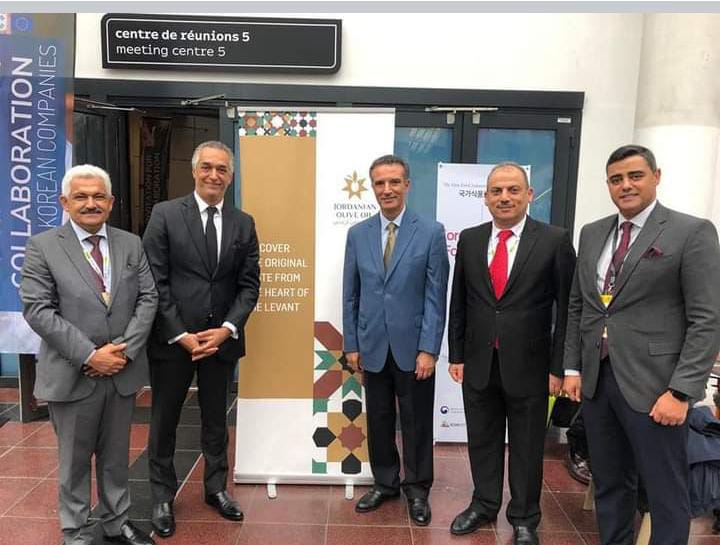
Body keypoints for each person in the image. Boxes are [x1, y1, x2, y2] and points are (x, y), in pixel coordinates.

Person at [563, 144, 720, 545]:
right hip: (598, 382)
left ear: (656, 176)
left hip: (656, 387)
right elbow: (580, 305)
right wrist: (573, 368)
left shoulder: (691, 232)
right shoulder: (593, 232)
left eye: (635, 176)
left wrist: (681, 391)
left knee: (665, 491)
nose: (625, 186)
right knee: (610, 483)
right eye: (616, 179)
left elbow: (706, 319)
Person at [20, 164, 158, 545]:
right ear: (64, 202)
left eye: (99, 196)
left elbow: (148, 298)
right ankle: (77, 532)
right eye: (81, 196)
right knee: (74, 462)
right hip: (72, 373)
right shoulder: (43, 246)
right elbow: (38, 310)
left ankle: (116, 522)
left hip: (121, 372)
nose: (91, 203)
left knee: (116, 457)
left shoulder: (131, 244)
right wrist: (89, 355)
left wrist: (123, 353)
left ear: (111, 202)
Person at [447, 162, 575, 545]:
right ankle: (484, 504)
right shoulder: (470, 239)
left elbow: (568, 309)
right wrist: (456, 355)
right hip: (479, 362)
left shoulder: (554, 240)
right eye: (497, 191)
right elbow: (460, 301)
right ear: (486, 197)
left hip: (532, 367)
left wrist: (560, 367)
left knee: (527, 446)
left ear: (529, 195)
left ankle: (524, 517)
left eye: (513, 190)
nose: (505, 197)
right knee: (482, 440)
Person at [143, 141, 260, 537]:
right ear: (194, 171)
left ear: (231, 175)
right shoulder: (165, 215)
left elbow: (249, 285)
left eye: (222, 169)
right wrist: (181, 334)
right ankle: (162, 496)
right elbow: (154, 280)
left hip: (219, 343)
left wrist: (227, 329)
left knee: (215, 420)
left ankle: (216, 489)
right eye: (207, 167)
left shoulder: (243, 223)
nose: (214, 175)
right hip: (173, 341)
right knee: (165, 420)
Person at [342, 154, 449, 526]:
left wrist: (429, 349)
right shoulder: (358, 234)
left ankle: (417, 489)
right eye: (379, 183)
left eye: (394, 182)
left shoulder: (431, 232)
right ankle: (385, 483)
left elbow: (436, 296)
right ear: (372, 187)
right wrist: (352, 344)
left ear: (407, 185)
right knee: (379, 419)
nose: (386, 189)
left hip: (413, 349)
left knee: (416, 422)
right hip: (372, 345)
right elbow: (350, 294)